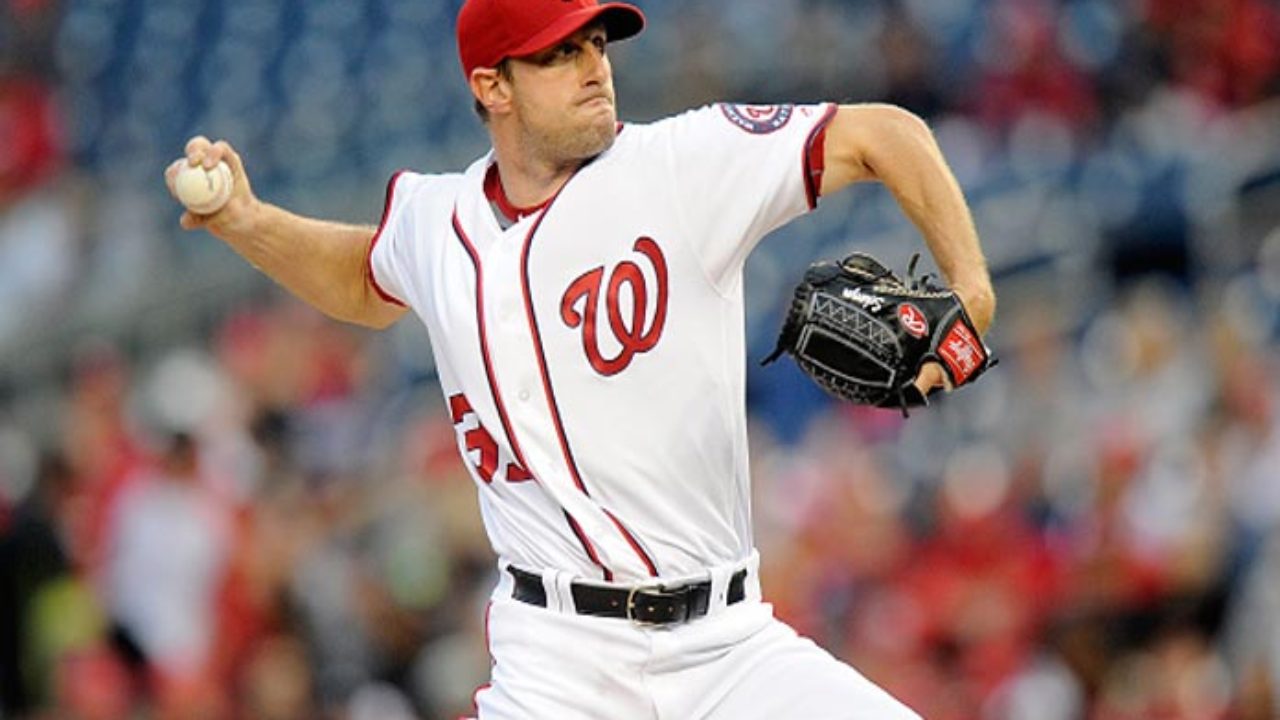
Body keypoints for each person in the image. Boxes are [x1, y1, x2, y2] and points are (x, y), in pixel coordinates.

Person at [164, 0, 995, 717]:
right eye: (560, 53)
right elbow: (360, 277)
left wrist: (972, 289)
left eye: (597, 44)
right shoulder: (435, 219)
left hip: (730, 649)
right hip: (559, 664)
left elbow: (883, 133)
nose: (594, 66)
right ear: (492, 86)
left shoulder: (680, 163)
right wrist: (247, 220)